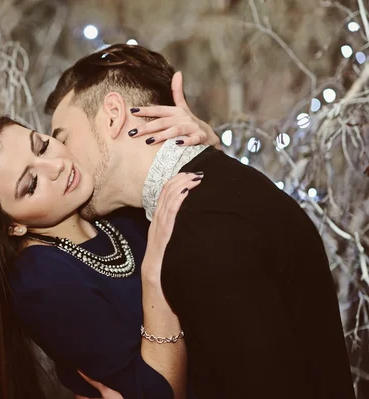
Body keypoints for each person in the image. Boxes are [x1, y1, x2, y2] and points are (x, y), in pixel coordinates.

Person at [45, 44, 355, 398]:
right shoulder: (215, 188)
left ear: (113, 115)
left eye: (63, 139)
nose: (60, 161)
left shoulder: (201, 230)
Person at [0, 112, 217, 398]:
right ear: (12, 225)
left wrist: (208, 151)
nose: (56, 166)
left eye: (42, 145)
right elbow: (161, 393)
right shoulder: (41, 281)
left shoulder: (109, 207)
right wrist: (154, 275)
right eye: (32, 184)